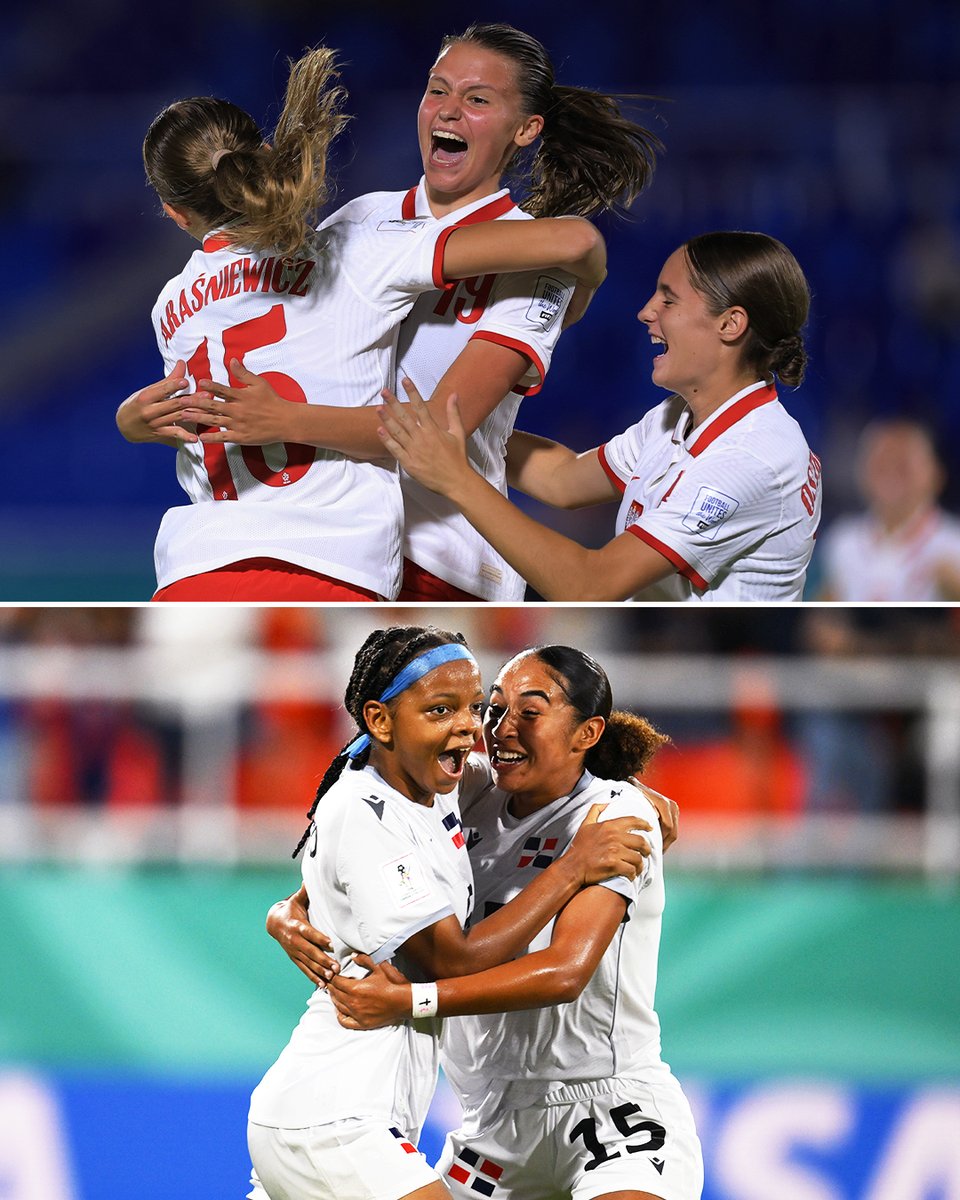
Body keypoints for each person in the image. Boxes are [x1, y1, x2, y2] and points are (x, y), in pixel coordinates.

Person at [171, 23, 662, 601]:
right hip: (336, 541)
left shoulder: (541, 261)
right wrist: (141, 418)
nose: (449, 111)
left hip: (444, 563)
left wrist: (287, 420)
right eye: (438, 90)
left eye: (478, 99)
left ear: (526, 129)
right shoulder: (359, 219)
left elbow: (436, 430)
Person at [270, 644, 702, 1200]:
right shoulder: (468, 790)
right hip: (491, 1123)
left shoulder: (613, 816)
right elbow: (357, 860)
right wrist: (287, 910)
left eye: (530, 711)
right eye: (494, 709)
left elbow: (565, 973)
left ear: (586, 732)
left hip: (608, 1106)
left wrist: (411, 1001)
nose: (499, 728)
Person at [378, 230, 822, 602]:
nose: (645, 311)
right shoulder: (680, 415)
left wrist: (454, 477)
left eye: (668, 301)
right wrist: (459, 420)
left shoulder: (751, 457)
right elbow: (563, 478)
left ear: (731, 324)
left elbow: (589, 584)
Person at [817, 417, 960, 600]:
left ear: (936, 474)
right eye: (881, 463)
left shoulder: (953, 545)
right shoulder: (842, 540)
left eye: (903, 465)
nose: (890, 473)